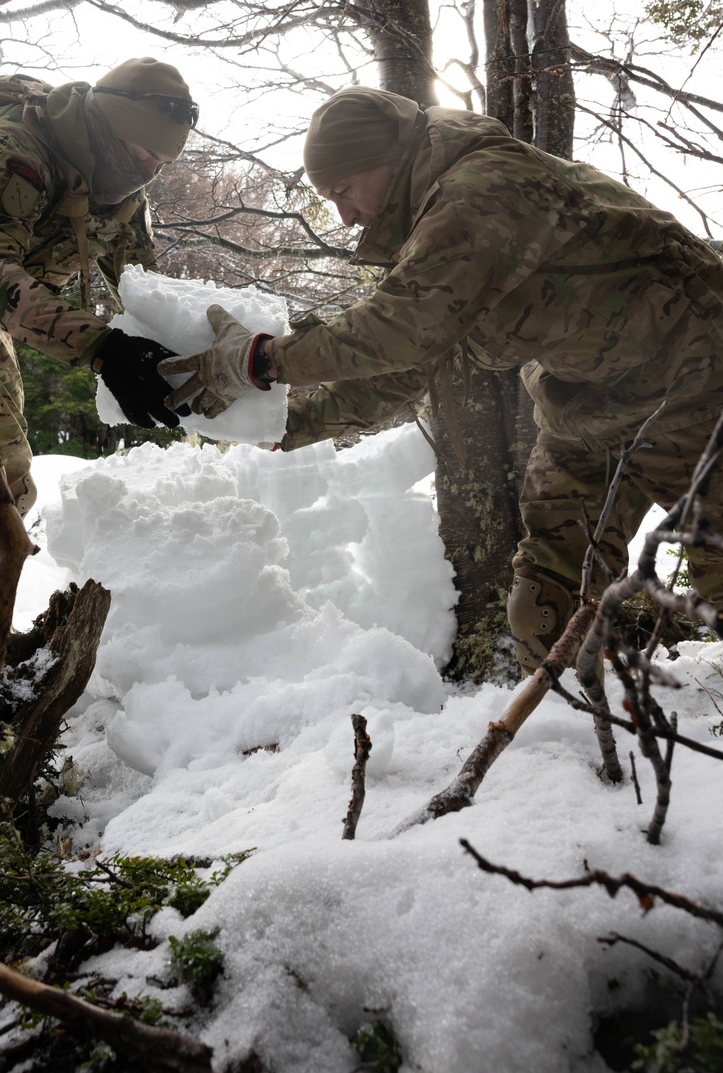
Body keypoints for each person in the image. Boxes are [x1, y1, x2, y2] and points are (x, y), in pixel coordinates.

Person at [160, 87, 723, 671]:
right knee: (542, 605)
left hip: (695, 384)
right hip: (586, 407)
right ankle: (584, 739)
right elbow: (405, 364)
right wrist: (288, 425)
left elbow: (403, 327)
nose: (347, 215)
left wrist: (262, 360)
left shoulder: (480, 189)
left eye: (344, 191)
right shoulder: (435, 225)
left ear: (387, 160)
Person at [0, 57, 197, 720]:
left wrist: (196, 358)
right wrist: (101, 346)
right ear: (110, 126)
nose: (147, 170)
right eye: (140, 152)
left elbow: (144, 283)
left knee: (13, 484)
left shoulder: (121, 183)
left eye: (161, 163)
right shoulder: (16, 148)